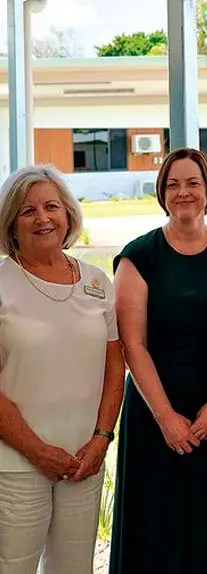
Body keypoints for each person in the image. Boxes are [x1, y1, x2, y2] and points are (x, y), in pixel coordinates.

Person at [108, 148, 207, 574]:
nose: (183, 192)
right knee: (158, 526)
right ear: (161, 193)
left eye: (192, 182)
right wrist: (167, 417)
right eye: (172, 184)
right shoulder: (139, 256)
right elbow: (134, 345)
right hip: (155, 407)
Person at [0, 165, 125, 574]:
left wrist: (102, 439)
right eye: (28, 210)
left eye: (52, 206)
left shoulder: (96, 282)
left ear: (69, 215)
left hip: (83, 461)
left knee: (75, 569)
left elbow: (114, 365)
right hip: (16, 463)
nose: (43, 218)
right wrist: (37, 452)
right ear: (11, 223)